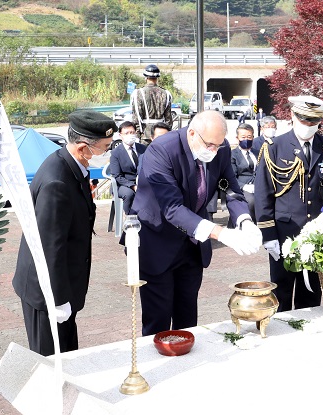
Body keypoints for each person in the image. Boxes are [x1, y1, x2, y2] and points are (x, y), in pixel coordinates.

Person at [130, 110, 262, 335]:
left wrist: (245, 220)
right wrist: (222, 233)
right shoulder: (162, 149)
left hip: (191, 246)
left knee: (187, 315)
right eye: (210, 144)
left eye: (219, 145)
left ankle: (187, 358)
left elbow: (230, 190)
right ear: (192, 133)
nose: (213, 150)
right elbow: (171, 208)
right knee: (157, 319)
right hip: (158, 240)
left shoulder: (219, 151)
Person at [13, 110, 117, 356]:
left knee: (68, 355)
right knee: (50, 361)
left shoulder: (69, 163)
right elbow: (50, 247)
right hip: (46, 292)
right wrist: (57, 299)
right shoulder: (57, 182)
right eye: (105, 148)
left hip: (63, 286)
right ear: (83, 148)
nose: (107, 154)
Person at [254, 95, 323, 312]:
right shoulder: (274, 147)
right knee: (281, 292)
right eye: (304, 120)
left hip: (317, 233)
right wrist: (268, 235)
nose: (308, 126)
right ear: (292, 116)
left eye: (313, 122)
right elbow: (263, 194)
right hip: (284, 232)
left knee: (312, 292)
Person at [131, 64, 173, 143]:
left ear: (146, 77)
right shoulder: (166, 94)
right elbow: (168, 119)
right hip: (161, 135)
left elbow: (137, 117)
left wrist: (138, 135)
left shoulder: (138, 93)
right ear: (157, 78)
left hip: (145, 135)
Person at [110, 121, 146, 214]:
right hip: (123, 184)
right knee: (129, 194)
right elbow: (117, 175)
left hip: (141, 181)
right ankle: (130, 220)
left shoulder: (143, 148)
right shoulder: (116, 153)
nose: (130, 135)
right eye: (126, 133)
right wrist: (133, 186)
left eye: (132, 132)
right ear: (120, 135)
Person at [231, 123, 259, 222]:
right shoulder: (233, 155)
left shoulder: (258, 153)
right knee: (251, 201)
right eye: (243, 137)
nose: (246, 139)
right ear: (237, 138)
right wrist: (244, 186)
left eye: (249, 137)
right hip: (242, 187)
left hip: (259, 185)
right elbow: (232, 177)